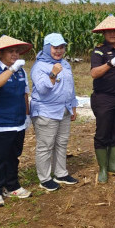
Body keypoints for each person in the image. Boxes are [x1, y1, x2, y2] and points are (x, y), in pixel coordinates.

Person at [0, 36, 33, 207]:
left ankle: (12, 186)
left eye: (17, 51)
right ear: (0, 53)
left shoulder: (21, 71)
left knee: (13, 156)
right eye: (11, 51)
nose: (15, 54)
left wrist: (27, 115)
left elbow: (24, 93)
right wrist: (10, 70)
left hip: (17, 122)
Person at [30, 33, 79, 191]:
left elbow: (70, 87)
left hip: (64, 109)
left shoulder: (65, 63)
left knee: (61, 142)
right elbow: (43, 89)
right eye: (55, 47)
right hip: (46, 111)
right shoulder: (39, 66)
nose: (59, 51)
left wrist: (73, 106)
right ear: (46, 48)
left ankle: (61, 173)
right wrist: (53, 73)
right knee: (45, 145)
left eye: (61, 47)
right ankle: (44, 178)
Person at [90, 15, 115, 183]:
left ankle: (114, 164)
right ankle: (103, 168)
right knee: (102, 133)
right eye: (109, 31)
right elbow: (94, 73)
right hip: (103, 98)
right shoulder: (99, 50)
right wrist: (110, 63)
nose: (113, 33)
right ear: (104, 33)